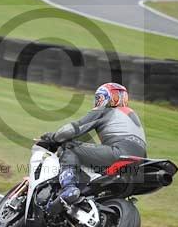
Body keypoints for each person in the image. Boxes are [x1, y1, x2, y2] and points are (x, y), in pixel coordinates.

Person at [40, 83, 147, 213]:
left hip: (119, 153)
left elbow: (73, 130)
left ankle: (68, 188)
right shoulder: (131, 115)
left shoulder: (106, 111)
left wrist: (53, 137)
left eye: (101, 98)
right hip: (140, 162)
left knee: (69, 146)